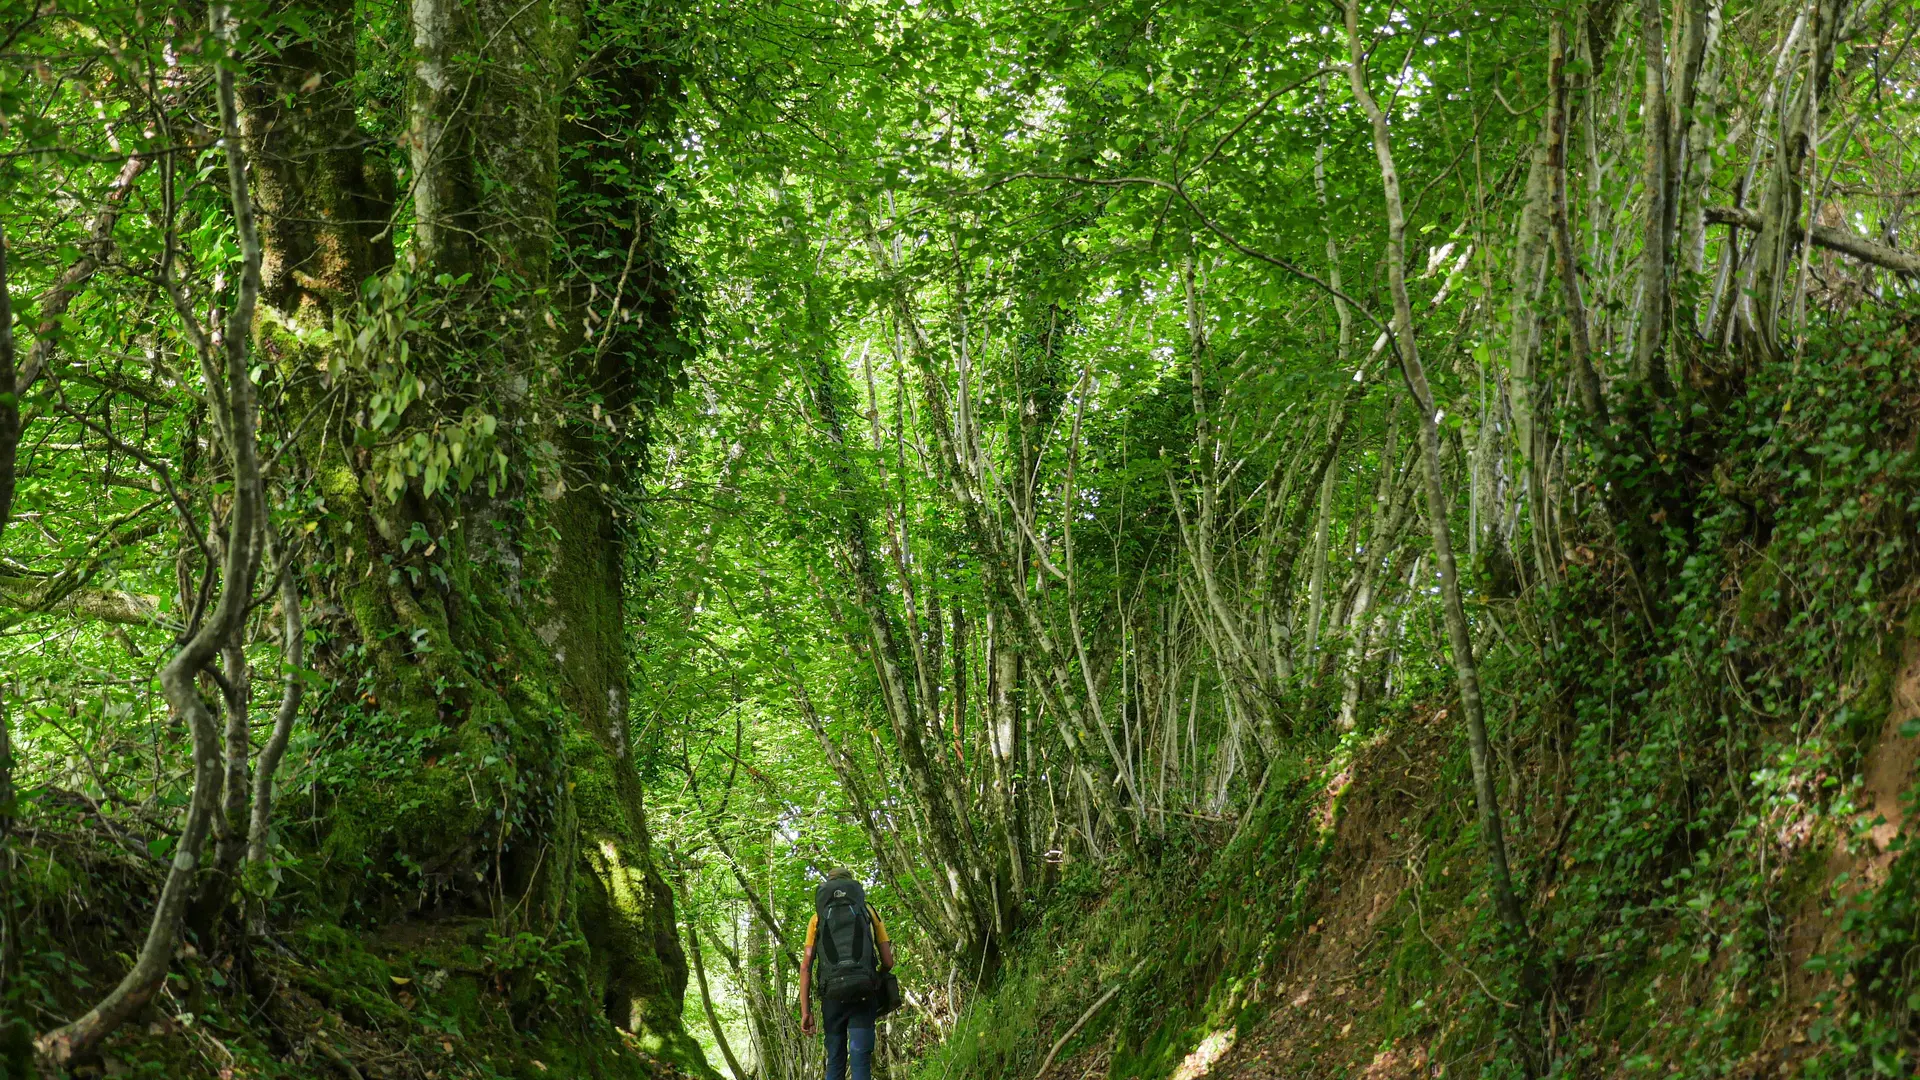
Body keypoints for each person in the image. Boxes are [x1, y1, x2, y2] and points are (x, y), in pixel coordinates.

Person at [798, 868, 895, 1080]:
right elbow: (888, 961)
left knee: (835, 1060)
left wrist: (806, 1012)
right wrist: (875, 978)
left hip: (832, 999)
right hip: (863, 993)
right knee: (860, 1059)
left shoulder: (818, 918)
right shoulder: (868, 911)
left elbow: (805, 966)